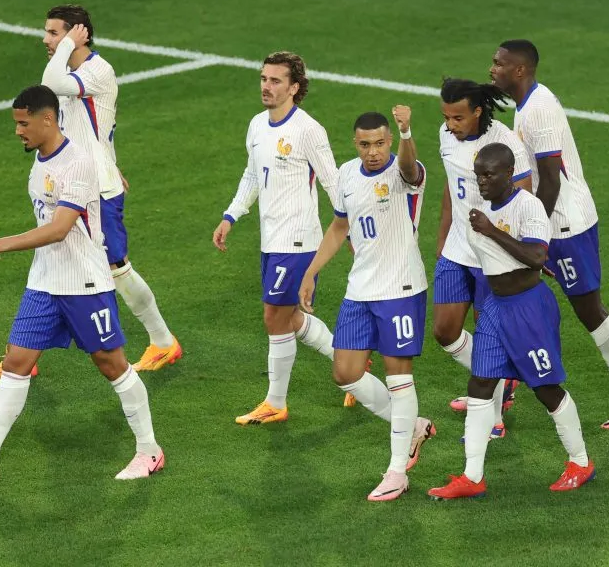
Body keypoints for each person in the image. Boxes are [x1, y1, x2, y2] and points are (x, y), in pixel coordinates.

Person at [0, 85, 163, 484]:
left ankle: (149, 451)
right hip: (44, 284)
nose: (18, 131)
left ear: (48, 119)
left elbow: (59, 230)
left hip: (85, 284)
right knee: (16, 363)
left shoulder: (77, 164)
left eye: (23, 124)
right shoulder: (40, 160)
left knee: (113, 366)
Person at [0, 5, 182, 380]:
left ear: (78, 33)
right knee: (50, 258)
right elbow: (94, 129)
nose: (46, 40)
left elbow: (49, 86)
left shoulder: (96, 71)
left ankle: (163, 341)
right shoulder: (72, 72)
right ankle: (21, 355)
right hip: (68, 183)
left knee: (114, 268)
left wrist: (66, 46)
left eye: (54, 33)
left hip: (96, 191)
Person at [490, 39, 609, 429]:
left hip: (565, 224)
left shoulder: (539, 110)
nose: (492, 69)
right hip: (560, 222)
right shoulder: (528, 103)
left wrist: (537, 236)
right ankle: (502, 384)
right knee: (518, 295)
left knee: (590, 310)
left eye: (498, 64)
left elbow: (550, 180)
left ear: (519, 70)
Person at [428, 143, 594, 500]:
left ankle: (580, 462)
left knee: (546, 389)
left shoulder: (527, 206)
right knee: (480, 383)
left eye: (489, 175)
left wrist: (492, 231)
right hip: (495, 308)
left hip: (528, 309)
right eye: (478, 176)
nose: (482, 182)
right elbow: (492, 262)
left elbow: (535, 255)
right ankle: (472, 477)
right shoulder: (478, 215)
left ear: (509, 172)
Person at [213, 51, 359, 423]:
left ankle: (276, 403)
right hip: (270, 239)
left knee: (274, 318)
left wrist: (352, 231)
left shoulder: (308, 130)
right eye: (264, 78)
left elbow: (333, 183)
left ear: (294, 88)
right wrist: (231, 215)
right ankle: (354, 365)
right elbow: (251, 176)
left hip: (298, 242)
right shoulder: (257, 126)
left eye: (276, 80)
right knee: (290, 318)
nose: (266, 86)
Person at [298, 108, 435, 501]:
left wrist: (408, 130)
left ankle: (396, 472)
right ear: (355, 143)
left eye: (379, 143)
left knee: (398, 376)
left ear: (390, 140)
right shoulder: (346, 174)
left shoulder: (406, 170)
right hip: (360, 288)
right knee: (345, 372)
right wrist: (311, 271)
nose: (372, 152)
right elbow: (340, 226)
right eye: (364, 144)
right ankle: (412, 424)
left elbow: (411, 170)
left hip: (401, 288)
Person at [436, 78, 531, 438]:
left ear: (477, 112)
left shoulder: (505, 143)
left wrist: (510, 249)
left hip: (491, 256)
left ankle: (493, 417)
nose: (450, 125)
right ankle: (499, 380)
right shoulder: (447, 135)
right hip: (457, 249)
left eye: (458, 117)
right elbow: (450, 183)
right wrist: (443, 235)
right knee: (445, 332)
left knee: (488, 337)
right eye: (446, 116)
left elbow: (524, 198)